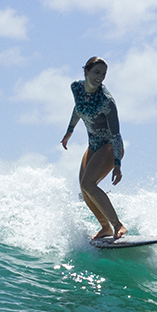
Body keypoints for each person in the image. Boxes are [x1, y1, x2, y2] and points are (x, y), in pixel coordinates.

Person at [61, 56, 127, 240]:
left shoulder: (107, 101)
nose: (100, 77)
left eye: (104, 74)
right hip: (93, 147)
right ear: (86, 72)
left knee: (88, 183)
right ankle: (105, 227)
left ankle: (118, 225)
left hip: (110, 147)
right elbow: (78, 108)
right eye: (97, 72)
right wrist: (69, 131)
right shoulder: (76, 88)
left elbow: (116, 135)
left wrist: (117, 164)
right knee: (84, 187)